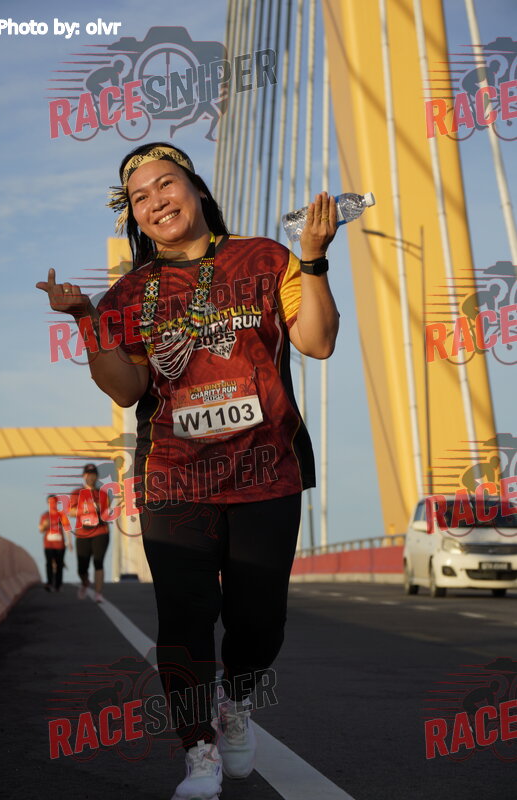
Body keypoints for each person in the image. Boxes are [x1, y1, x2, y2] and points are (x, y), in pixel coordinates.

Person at [36, 142, 340, 800]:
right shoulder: (128, 292)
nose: (156, 202)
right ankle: (198, 750)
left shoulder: (266, 258)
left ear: (197, 188)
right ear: (134, 216)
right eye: (140, 197)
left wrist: (314, 258)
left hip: (267, 471)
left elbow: (317, 341)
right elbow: (126, 390)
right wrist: (88, 320)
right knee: (184, 617)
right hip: (174, 478)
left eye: (165, 185)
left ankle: (237, 700)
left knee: (259, 619)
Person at [69, 463, 110, 603]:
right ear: (83, 476)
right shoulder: (76, 493)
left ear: (97, 477)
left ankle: (98, 593)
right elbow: (71, 512)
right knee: (82, 567)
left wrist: (99, 508)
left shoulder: (102, 494)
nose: (91, 477)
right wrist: (87, 508)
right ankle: (85, 582)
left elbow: (107, 513)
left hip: (100, 532)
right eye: (88, 474)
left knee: (98, 562)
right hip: (83, 533)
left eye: (93, 474)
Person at [39, 494, 72, 592]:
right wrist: (45, 525)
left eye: (54, 502)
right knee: (49, 563)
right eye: (50, 502)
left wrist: (69, 542)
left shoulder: (61, 515)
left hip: (60, 545)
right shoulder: (45, 516)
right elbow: (40, 530)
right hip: (48, 545)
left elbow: (67, 529)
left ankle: (58, 584)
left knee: (59, 564)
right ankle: (49, 582)